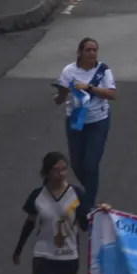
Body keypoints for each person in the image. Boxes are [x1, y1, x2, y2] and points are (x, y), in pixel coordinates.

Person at [53, 37, 117, 209]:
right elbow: (59, 100)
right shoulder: (69, 71)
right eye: (88, 50)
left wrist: (89, 88)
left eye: (94, 50)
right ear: (80, 52)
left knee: (91, 163)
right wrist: (61, 93)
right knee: (77, 165)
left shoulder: (103, 70)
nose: (92, 53)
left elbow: (112, 94)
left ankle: (88, 206)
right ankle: (90, 194)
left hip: (98, 121)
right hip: (75, 121)